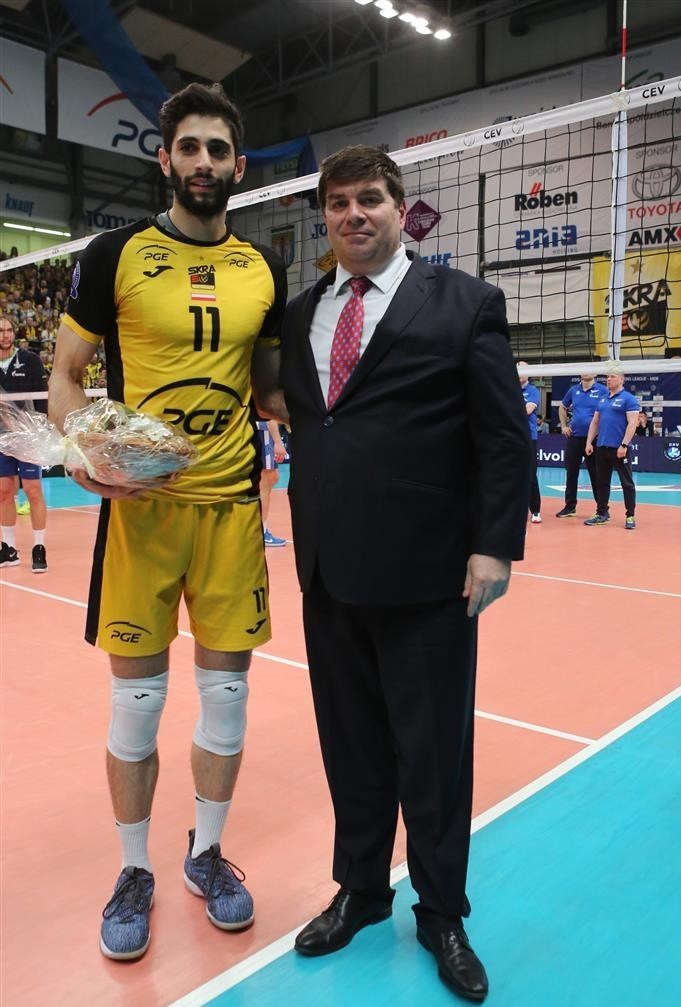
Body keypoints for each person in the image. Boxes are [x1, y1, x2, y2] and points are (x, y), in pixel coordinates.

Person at [280, 145, 530, 1002]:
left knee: (432, 756)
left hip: (427, 575)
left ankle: (441, 911)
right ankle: (359, 890)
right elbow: (310, 421)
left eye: (370, 199)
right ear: (324, 215)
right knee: (350, 748)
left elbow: (502, 436)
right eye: (338, 202)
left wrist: (493, 544)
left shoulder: (464, 302)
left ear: (399, 207)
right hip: (328, 571)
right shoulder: (301, 312)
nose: (354, 214)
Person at [48, 82, 286, 961]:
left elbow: (270, 391)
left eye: (217, 149)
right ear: (165, 159)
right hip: (142, 517)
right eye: (189, 147)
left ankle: (206, 854)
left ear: (238, 165)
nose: (203, 162)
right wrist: (82, 450)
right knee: (137, 706)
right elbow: (66, 374)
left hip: (230, 513)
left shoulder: (264, 268)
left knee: (226, 700)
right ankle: (133, 869)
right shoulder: (114, 254)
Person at [0, 315, 49, 572]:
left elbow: (42, 399)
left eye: (8, 330)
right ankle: (8, 550)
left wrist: (42, 432)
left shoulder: (30, 360)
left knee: (33, 490)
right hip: (0, 439)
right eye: (0, 331)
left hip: (28, 437)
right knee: (4, 492)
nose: (5, 335)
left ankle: (39, 547)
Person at [584, 366, 639, 529]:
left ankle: (630, 516)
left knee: (626, 483)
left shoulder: (629, 399)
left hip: (619, 449)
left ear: (621, 379)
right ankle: (601, 513)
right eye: (607, 377)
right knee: (602, 482)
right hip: (602, 448)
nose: (608, 379)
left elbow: (633, 423)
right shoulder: (602, 399)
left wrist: (624, 445)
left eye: (612, 376)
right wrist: (589, 442)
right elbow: (595, 422)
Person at [555, 373, 607, 518]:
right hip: (574, 437)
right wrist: (564, 426)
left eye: (589, 370)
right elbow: (562, 407)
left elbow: (608, 410)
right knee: (571, 473)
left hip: (594, 439)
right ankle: (570, 507)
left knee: (596, 474)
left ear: (595, 373)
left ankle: (602, 509)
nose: (586, 372)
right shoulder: (573, 390)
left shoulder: (602, 390)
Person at [257, 418, 287, 547]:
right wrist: (278, 443)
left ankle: (259, 530)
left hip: (261, 431)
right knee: (266, 481)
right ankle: (261, 532)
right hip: (263, 431)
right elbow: (270, 416)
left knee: (273, 477)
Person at [518, 362, 542, 523]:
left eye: (523, 369)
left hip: (528, 437)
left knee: (530, 474)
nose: (520, 373)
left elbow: (528, 410)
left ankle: (535, 511)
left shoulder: (533, 391)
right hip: (510, 438)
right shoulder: (508, 388)